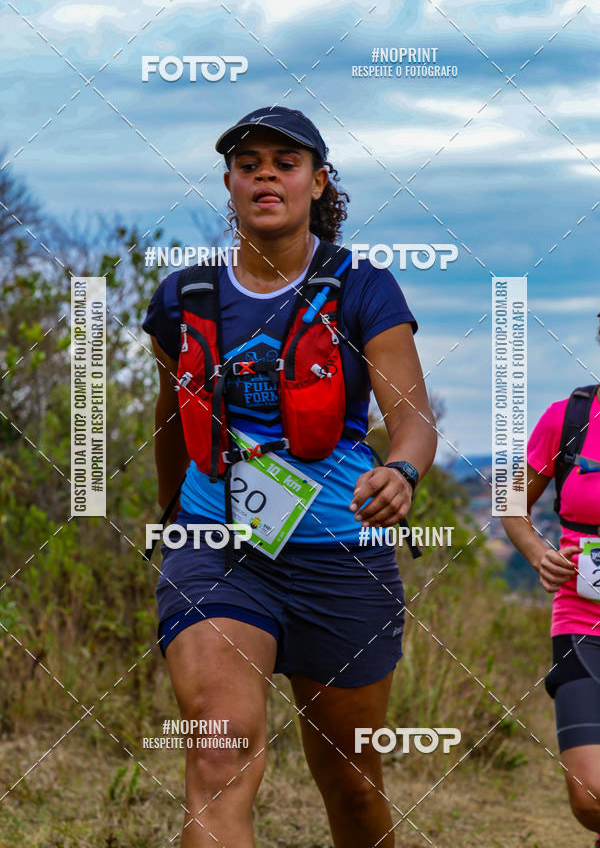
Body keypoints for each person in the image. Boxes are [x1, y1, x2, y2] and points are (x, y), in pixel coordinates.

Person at [142, 106, 437, 847]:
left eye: (285, 161)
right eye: (248, 164)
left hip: (342, 555)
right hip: (219, 549)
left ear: (317, 180)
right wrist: (174, 515)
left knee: (353, 785)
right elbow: (173, 416)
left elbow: (412, 416)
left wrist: (401, 470)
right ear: (230, 185)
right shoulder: (184, 297)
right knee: (219, 751)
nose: (265, 174)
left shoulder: (362, 290)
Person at [501, 318, 600, 848]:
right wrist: (539, 552)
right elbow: (512, 502)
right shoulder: (569, 419)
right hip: (582, 621)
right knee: (590, 795)